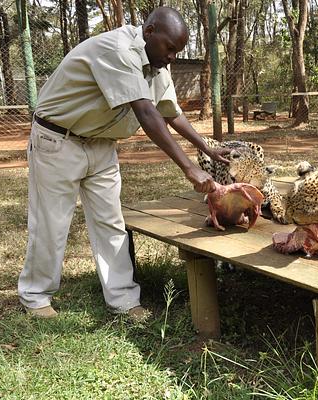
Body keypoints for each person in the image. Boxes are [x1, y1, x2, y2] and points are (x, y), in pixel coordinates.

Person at [18, 7, 229, 320]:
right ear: (149, 32)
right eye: (169, 48)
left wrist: (206, 148)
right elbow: (146, 113)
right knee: (52, 222)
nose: (172, 57)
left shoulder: (157, 66)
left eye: (177, 51)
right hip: (58, 140)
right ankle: (35, 297)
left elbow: (170, 112)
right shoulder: (116, 49)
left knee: (111, 223)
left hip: (101, 145)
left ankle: (124, 301)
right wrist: (187, 167)